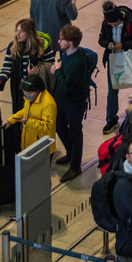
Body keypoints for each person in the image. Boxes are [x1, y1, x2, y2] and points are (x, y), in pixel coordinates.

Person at [51, 23, 97, 182]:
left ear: (70, 41)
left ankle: (75, 166)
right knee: (59, 125)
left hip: (74, 102)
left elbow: (66, 86)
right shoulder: (66, 54)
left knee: (75, 132)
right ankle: (70, 153)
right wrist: (59, 68)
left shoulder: (77, 61)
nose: (58, 42)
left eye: (61, 39)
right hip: (63, 100)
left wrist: (57, 70)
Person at [97, 1, 132, 133]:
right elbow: (101, 39)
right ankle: (111, 120)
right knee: (112, 89)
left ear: (119, 18)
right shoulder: (106, 24)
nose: (112, 25)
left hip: (129, 59)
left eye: (115, 23)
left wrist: (123, 45)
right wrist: (108, 44)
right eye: (110, 24)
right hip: (113, 59)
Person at [0, 17, 53, 114]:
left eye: (21, 32)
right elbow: (7, 67)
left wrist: (36, 72)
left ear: (29, 32)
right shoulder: (13, 46)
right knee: (19, 115)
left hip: (37, 91)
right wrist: (0, 81)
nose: (17, 34)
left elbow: (50, 69)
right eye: (17, 31)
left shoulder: (43, 46)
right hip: (19, 90)